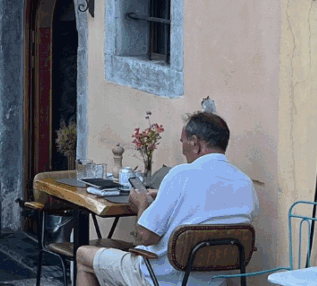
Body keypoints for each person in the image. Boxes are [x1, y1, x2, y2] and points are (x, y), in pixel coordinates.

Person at [75, 111, 258, 286]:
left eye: (183, 142)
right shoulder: (245, 183)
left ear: (195, 143)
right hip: (214, 281)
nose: (183, 150)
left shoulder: (181, 174)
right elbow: (208, 211)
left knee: (83, 255)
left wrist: (141, 205)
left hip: (161, 278)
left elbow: (144, 237)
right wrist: (163, 194)